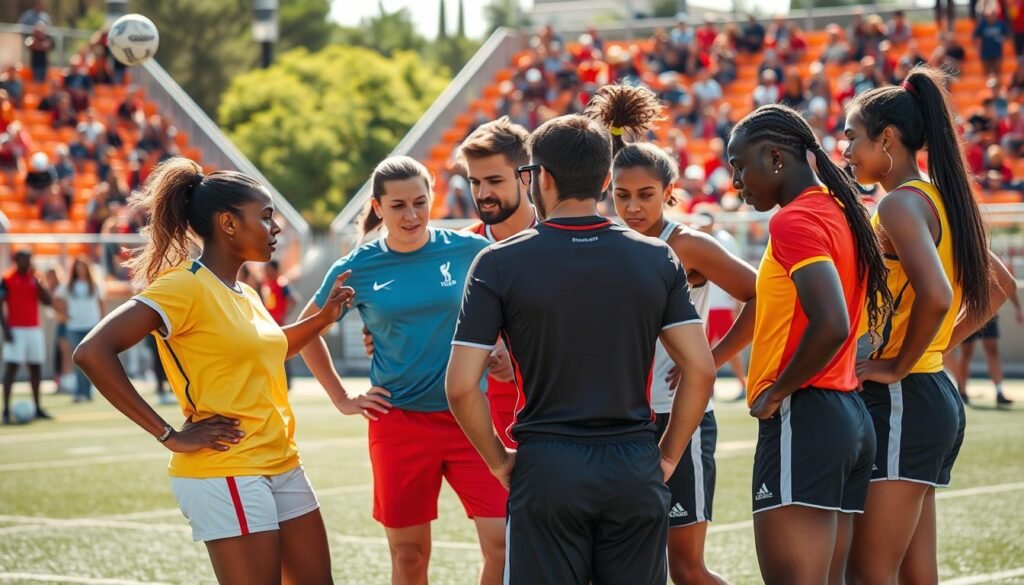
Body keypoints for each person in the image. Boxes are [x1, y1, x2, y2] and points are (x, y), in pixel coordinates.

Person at [447, 112, 717, 585]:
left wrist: (498, 461)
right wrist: (668, 456)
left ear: (542, 178)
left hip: (548, 464)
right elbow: (701, 369)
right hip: (634, 460)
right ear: (607, 179)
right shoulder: (658, 257)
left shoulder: (497, 261)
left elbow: (460, 386)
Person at [73, 157, 352, 584]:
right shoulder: (183, 286)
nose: (275, 228)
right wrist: (169, 435)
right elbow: (92, 352)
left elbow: (271, 349)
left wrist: (323, 318)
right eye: (265, 217)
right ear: (228, 223)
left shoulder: (244, 291)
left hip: (281, 460)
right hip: (228, 469)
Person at [842, 65, 1018, 584]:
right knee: (918, 575)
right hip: (930, 391)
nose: (846, 150)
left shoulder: (898, 204)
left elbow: (939, 295)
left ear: (888, 139)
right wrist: (934, 349)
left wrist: (898, 363)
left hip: (905, 399)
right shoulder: (941, 198)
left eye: (853, 137)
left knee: (869, 573)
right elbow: (1001, 286)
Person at [299, 156, 507, 585]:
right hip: (399, 424)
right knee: (409, 555)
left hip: (470, 418)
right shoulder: (357, 268)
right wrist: (341, 397)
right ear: (378, 207)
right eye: (398, 206)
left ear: (433, 198)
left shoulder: (471, 250)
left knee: (504, 542)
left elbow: (513, 309)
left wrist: (502, 347)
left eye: (420, 202)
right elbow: (307, 330)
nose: (411, 215)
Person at [587, 84, 757, 585]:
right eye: (621, 196)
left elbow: (765, 296)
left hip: (680, 417)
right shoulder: (602, 242)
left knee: (685, 567)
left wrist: (711, 358)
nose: (633, 207)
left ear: (669, 192)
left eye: (645, 195)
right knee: (626, 566)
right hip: (618, 420)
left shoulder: (687, 245)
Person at [726, 103, 891, 585]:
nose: (737, 180)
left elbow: (833, 323)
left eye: (740, 166)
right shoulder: (843, 211)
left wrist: (777, 391)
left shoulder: (793, 220)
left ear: (776, 158)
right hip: (846, 415)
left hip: (808, 412)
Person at [1, 249, 53, 423]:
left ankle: (38, 407)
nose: (27, 262)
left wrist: (39, 283)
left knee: (35, 369)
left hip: (33, 329)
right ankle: (6, 410)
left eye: (29, 259)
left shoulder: (35, 278)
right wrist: (5, 328)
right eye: (24, 259)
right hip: (15, 329)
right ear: (16, 260)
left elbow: (47, 301)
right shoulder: (7, 279)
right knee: (11, 370)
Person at [956, 290, 1022, 405]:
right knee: (967, 351)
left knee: (992, 348)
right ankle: (962, 390)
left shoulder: (995, 271)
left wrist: (1017, 308)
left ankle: (999, 391)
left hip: (988, 310)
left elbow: (1009, 282)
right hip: (967, 310)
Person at [61, 258, 105, 402]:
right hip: (74, 327)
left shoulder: (94, 285)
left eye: (82, 267)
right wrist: (64, 313)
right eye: (78, 267)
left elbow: (101, 303)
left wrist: (103, 323)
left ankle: (87, 392)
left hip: (91, 326)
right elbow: (55, 298)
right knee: (78, 360)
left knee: (89, 361)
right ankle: (80, 391)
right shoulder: (69, 286)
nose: (80, 270)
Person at [261, 259, 299, 389]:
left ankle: (287, 383)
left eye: (267, 268)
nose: (265, 271)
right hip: (268, 323)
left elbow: (294, 300)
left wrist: (284, 315)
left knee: (283, 352)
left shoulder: (282, 283)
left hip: (279, 324)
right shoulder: (266, 283)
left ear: (274, 270)